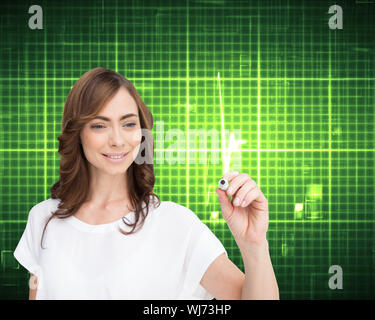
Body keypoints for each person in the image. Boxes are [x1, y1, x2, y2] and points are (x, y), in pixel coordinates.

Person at [13, 67, 279, 300]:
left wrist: (253, 244)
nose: (117, 140)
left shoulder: (176, 224)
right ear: (77, 133)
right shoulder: (43, 219)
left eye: (128, 124)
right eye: (99, 126)